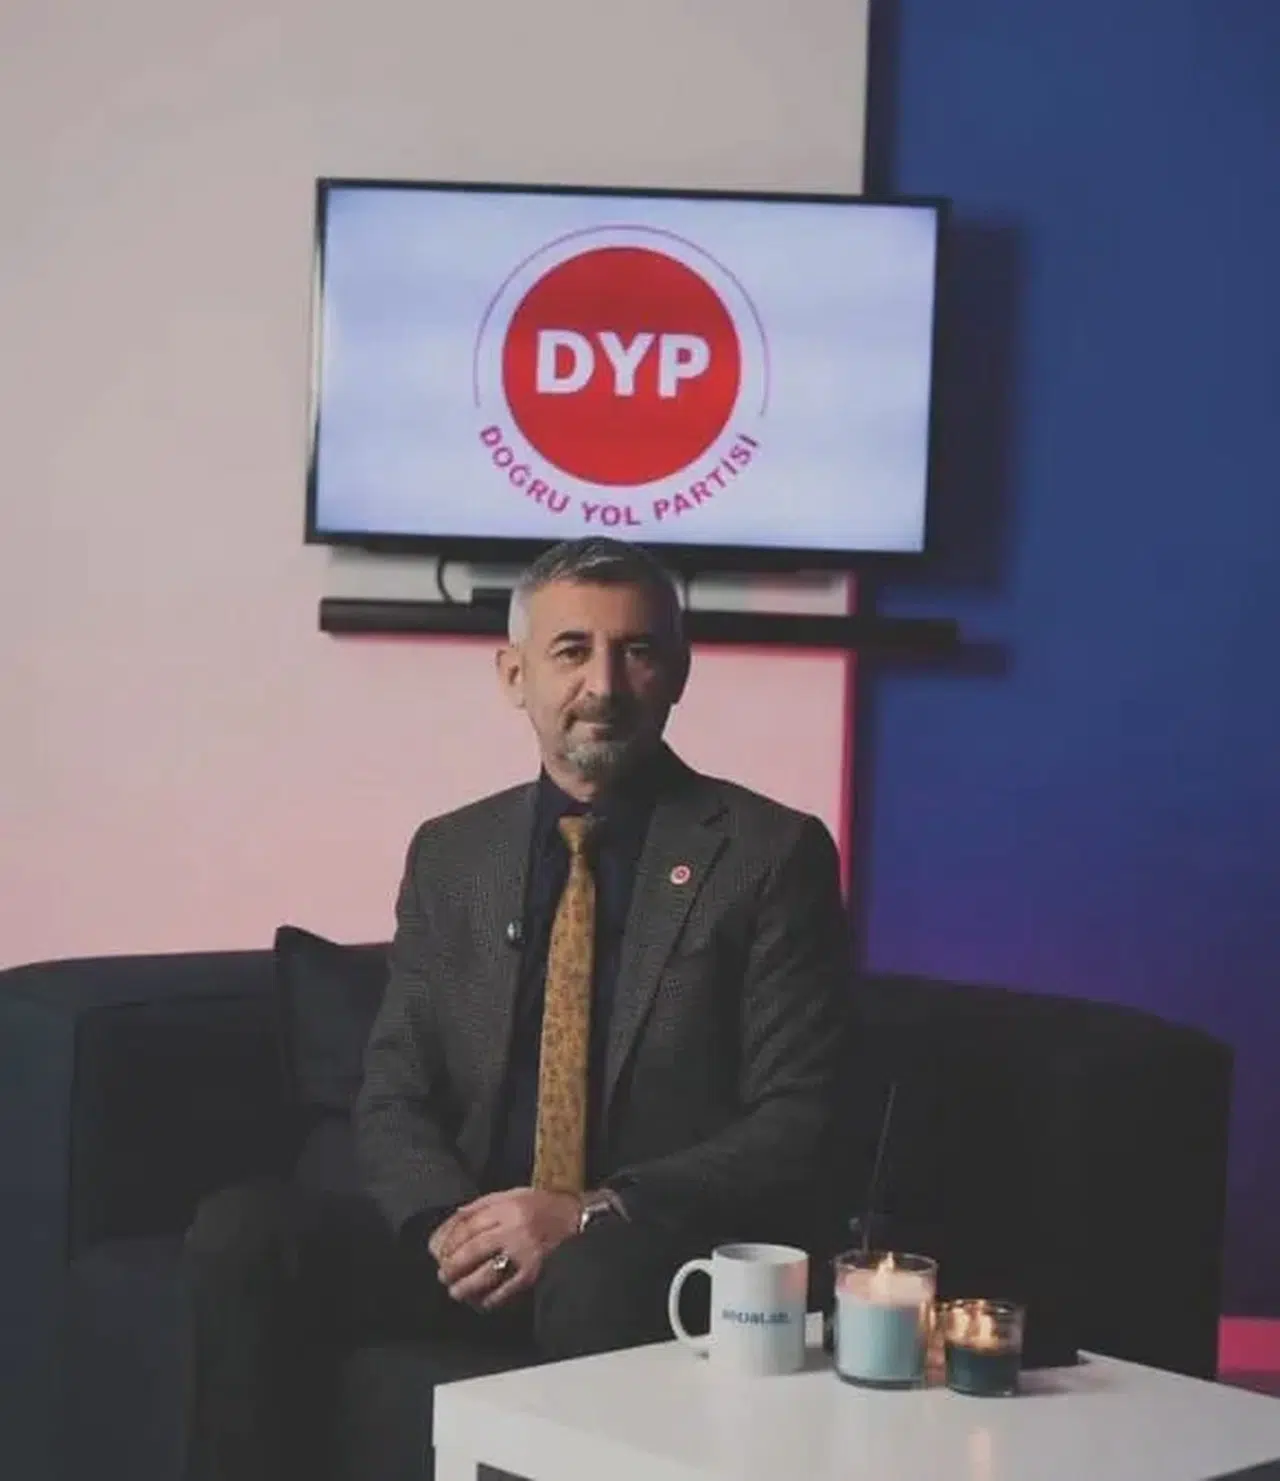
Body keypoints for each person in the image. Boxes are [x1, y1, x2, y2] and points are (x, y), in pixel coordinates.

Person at [183, 537, 852, 1481]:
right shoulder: (454, 853)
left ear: (679, 673)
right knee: (245, 1234)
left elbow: (796, 1116)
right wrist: (448, 1227)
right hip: (466, 1237)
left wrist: (584, 1214)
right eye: (571, 650)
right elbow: (393, 1090)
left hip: (639, 1246)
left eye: (637, 651)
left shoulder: (768, 853)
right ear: (514, 675)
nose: (603, 685)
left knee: (592, 1280)